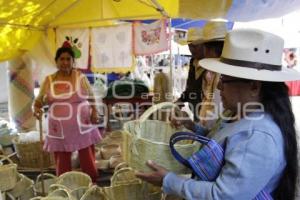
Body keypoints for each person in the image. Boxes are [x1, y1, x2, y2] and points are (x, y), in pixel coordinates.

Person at [136, 29, 300, 200]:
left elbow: (224, 195)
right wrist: (191, 125)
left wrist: (169, 181)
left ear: (254, 87)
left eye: (225, 81)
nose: (219, 87)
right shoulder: (238, 114)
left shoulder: (258, 136)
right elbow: (221, 140)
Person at [33, 47, 102, 182]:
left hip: (82, 124)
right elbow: (39, 100)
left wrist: (94, 110)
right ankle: (64, 184)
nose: (65, 62)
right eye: (62, 59)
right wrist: (36, 108)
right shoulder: (49, 80)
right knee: (62, 157)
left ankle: (91, 181)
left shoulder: (80, 77)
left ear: (73, 61)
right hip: (58, 128)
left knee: (86, 154)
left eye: (68, 59)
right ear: (56, 61)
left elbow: (91, 96)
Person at [177, 21, 227, 123]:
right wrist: (181, 100)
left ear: (205, 47)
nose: (192, 49)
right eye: (190, 45)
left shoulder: (219, 72)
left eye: (195, 46)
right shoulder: (194, 63)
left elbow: (216, 112)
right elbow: (190, 87)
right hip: (199, 113)